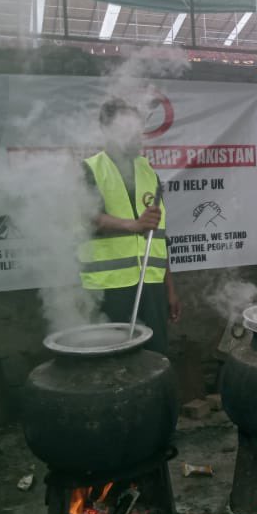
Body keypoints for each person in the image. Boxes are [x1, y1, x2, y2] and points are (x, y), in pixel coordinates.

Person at [80, 98, 181, 355]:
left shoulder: (149, 173)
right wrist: (132, 224)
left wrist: (169, 288)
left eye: (137, 129)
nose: (136, 136)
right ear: (106, 129)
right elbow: (87, 217)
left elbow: (158, 236)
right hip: (110, 287)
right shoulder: (90, 170)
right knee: (114, 357)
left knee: (156, 354)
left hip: (152, 286)